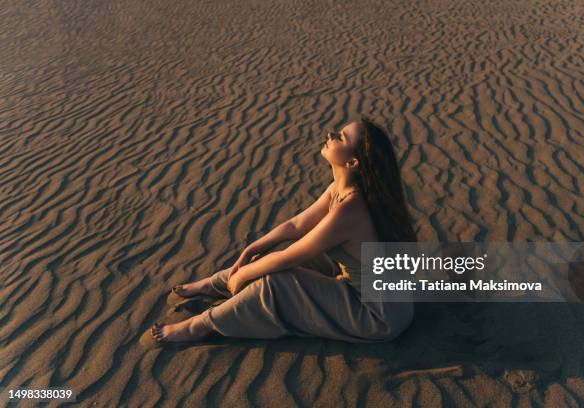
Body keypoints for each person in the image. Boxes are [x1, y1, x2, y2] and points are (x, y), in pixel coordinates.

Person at [150, 116, 418, 344]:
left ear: (352, 163)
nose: (330, 134)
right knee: (279, 259)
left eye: (340, 137)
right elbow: (294, 226)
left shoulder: (350, 210)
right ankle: (216, 284)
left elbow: (291, 258)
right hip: (375, 290)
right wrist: (250, 251)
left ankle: (199, 325)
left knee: (276, 281)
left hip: (379, 315)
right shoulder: (340, 190)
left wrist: (245, 273)